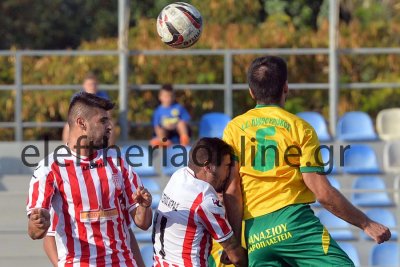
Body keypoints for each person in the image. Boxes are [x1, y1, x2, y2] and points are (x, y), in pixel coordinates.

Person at [222, 56, 391, 266]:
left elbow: (231, 192)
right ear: (285, 88)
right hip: (294, 224)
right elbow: (322, 192)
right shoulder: (300, 128)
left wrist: (235, 243)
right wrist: (366, 223)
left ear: (251, 91)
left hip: (255, 233)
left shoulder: (234, 129)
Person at [27, 92, 153, 266]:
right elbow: (36, 233)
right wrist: (38, 224)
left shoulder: (117, 162)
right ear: (81, 123)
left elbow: (142, 223)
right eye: (102, 121)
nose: (109, 126)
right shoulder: (50, 168)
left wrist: (145, 206)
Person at [152, 137, 247, 266]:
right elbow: (235, 256)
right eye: (227, 166)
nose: (228, 173)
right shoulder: (204, 199)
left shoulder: (178, 176)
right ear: (208, 167)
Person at [62, 73, 115, 144]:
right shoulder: (78, 96)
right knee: (67, 126)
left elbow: (108, 113)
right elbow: (72, 113)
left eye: (94, 84)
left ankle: (108, 150)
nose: (92, 87)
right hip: (83, 120)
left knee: (110, 125)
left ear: (97, 85)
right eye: (89, 84)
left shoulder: (102, 95)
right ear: (84, 85)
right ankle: (68, 148)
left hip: (98, 120)